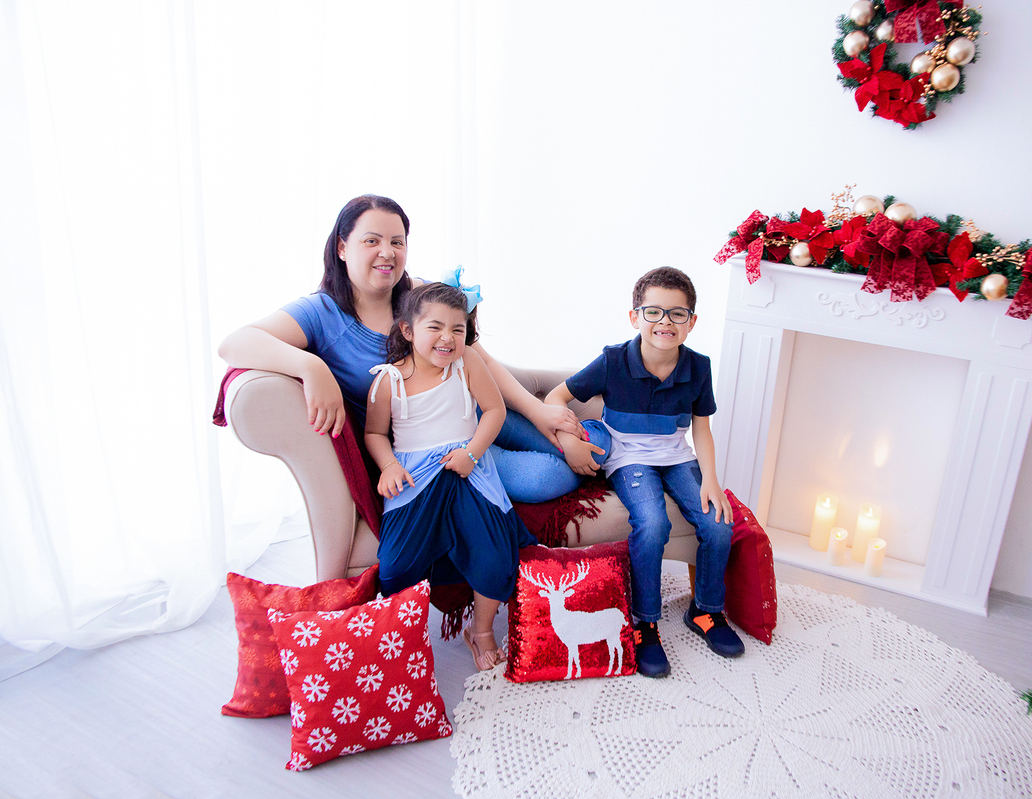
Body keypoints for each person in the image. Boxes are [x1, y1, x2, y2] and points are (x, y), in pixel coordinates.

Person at [217, 193, 598, 501]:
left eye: (397, 242)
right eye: (372, 241)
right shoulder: (320, 313)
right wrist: (311, 367)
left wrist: (538, 411)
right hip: (433, 448)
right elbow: (233, 344)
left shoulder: (418, 293)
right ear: (342, 248)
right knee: (551, 476)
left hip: (485, 415)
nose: (387, 253)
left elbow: (479, 360)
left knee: (595, 443)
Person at [545, 267, 744, 678]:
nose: (664, 323)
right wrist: (569, 441)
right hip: (627, 459)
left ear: (692, 322)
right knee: (652, 524)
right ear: (635, 317)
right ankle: (645, 623)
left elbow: (702, 430)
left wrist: (712, 480)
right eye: (653, 312)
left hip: (677, 457)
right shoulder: (613, 360)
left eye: (677, 314)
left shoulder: (699, 367)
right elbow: (555, 396)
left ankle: (706, 612)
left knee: (718, 523)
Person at [365, 283, 535, 671]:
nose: (448, 338)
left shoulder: (467, 363)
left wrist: (472, 453)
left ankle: (481, 629)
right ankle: (404, 635)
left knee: (494, 557)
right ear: (408, 330)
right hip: (415, 476)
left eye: (458, 330)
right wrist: (389, 465)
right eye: (435, 327)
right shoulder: (388, 381)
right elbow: (374, 433)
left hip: (467, 464)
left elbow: (494, 411)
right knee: (395, 566)